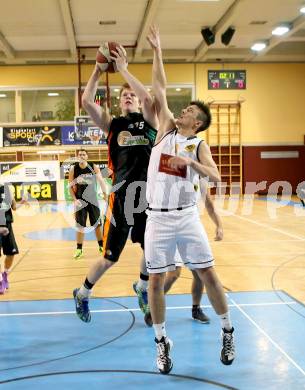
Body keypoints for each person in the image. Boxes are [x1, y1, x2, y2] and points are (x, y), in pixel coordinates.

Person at [145, 25, 235, 374]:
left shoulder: (197, 144)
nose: (180, 111)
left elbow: (216, 176)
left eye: (188, 112)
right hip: (156, 217)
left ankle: (227, 330)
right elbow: (159, 87)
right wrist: (157, 50)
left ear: (196, 122)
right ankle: (161, 341)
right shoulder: (167, 127)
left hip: (185, 216)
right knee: (155, 281)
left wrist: (191, 163)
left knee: (208, 274)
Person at [73, 45, 158, 322]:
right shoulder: (113, 124)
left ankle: (142, 287)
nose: (130, 97)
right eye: (125, 96)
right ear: (120, 103)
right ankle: (83, 293)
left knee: (151, 251)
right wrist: (98, 70)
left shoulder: (149, 121)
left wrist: (124, 70)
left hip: (149, 196)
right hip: (121, 197)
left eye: (132, 94)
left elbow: (148, 98)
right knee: (110, 258)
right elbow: (86, 102)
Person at [164, 188, 224, 324]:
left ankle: (196, 309)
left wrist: (219, 225)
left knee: (199, 274)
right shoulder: (172, 176)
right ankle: (153, 304)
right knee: (173, 275)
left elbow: (210, 206)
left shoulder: (200, 178)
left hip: (191, 230)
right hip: (171, 229)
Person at [69, 148, 107, 259]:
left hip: (93, 200)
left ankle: (101, 246)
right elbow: (70, 187)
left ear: (87, 156)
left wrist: (105, 195)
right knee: (80, 226)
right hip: (80, 201)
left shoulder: (93, 166)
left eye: (83, 154)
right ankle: (79, 249)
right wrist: (74, 199)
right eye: (79, 154)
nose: (81, 156)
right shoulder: (73, 169)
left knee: (97, 225)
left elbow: (101, 181)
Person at [0, 183, 25, 294]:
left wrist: (23, 202)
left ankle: (5, 275)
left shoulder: (6, 188)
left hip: (7, 225)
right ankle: (0, 281)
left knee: (11, 254)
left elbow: (14, 207)